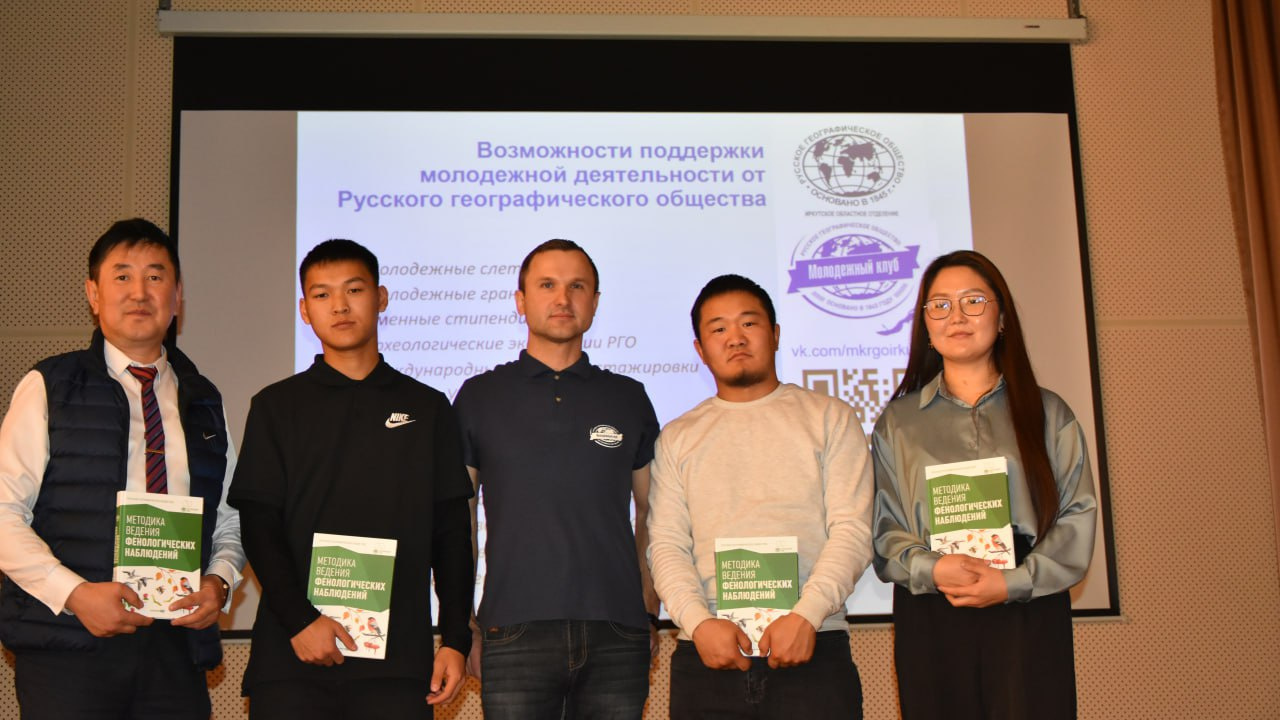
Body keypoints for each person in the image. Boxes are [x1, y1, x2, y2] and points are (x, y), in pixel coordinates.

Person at [0, 218, 244, 719]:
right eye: (122, 276)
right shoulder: (50, 385)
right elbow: (3, 513)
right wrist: (75, 595)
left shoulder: (203, 398)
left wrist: (219, 583)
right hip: (69, 648)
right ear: (93, 293)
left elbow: (231, 519)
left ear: (178, 295)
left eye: (155, 277)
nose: (139, 292)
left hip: (174, 651)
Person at [227, 239, 473, 719]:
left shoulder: (427, 407)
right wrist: (301, 620)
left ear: (381, 298)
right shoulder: (275, 406)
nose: (339, 305)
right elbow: (258, 524)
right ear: (305, 310)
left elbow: (450, 533)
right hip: (293, 656)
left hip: (396, 667)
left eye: (354, 290)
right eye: (322, 294)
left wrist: (455, 639)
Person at [871, 250, 1098, 720]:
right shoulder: (897, 422)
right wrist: (933, 568)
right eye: (940, 305)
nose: (956, 316)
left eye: (973, 301)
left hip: (1027, 608)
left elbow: (1077, 515)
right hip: (933, 609)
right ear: (925, 325)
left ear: (1002, 317)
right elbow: (885, 528)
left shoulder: (1049, 412)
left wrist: (1012, 582)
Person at [647, 274, 873, 720]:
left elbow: (853, 530)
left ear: (775, 334)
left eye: (748, 323)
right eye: (718, 329)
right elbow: (667, 545)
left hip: (812, 647)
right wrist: (698, 623)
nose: (735, 338)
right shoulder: (677, 437)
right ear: (700, 349)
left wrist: (807, 615)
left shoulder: (831, 418)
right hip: (708, 655)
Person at [453, 239, 661, 720]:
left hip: (618, 631)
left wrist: (647, 611)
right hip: (512, 629)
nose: (562, 298)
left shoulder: (629, 397)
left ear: (595, 302)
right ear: (521, 300)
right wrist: (464, 624)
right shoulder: (479, 396)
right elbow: (458, 518)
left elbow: (653, 513)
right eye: (547, 285)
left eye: (577, 286)